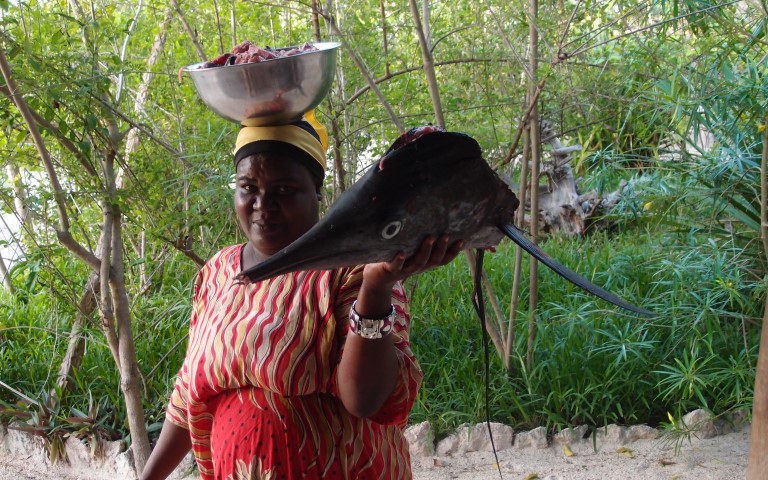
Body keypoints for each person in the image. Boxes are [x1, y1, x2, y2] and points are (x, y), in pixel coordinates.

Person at [140, 113, 463, 480]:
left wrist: (375, 289)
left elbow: (365, 400)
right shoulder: (218, 272)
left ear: (317, 193)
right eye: (249, 187)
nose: (263, 204)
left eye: (284, 190)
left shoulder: (352, 269)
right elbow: (188, 392)